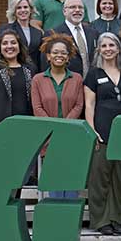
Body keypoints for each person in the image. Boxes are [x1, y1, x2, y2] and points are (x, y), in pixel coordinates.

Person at [84, 33, 121, 236]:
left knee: (120, 179)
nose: (108, 48)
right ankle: (101, 220)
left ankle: (117, 218)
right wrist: (91, 130)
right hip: (102, 131)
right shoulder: (94, 74)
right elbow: (89, 104)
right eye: (104, 45)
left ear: (118, 48)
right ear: (99, 50)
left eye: (112, 45)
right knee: (99, 179)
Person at [31, 33, 84, 199]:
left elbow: (79, 105)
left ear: (68, 57)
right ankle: (56, 221)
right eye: (55, 52)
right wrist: (55, 130)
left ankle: (69, 222)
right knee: (54, 183)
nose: (59, 55)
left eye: (63, 52)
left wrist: (64, 128)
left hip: (72, 137)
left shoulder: (76, 78)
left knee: (71, 183)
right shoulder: (38, 79)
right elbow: (37, 107)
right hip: (49, 138)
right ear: (48, 56)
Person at [49, 0, 100, 76]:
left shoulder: (93, 33)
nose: (77, 10)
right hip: (66, 82)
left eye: (80, 7)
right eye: (72, 7)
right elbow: (46, 65)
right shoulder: (54, 34)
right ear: (64, 11)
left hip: (90, 84)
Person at [0, 0, 43, 70]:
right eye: (19, 8)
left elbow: (39, 57)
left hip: (32, 72)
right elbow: (0, 52)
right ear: (14, 11)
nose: (23, 10)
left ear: (31, 10)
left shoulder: (38, 33)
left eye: (25, 7)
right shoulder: (6, 29)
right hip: (11, 70)